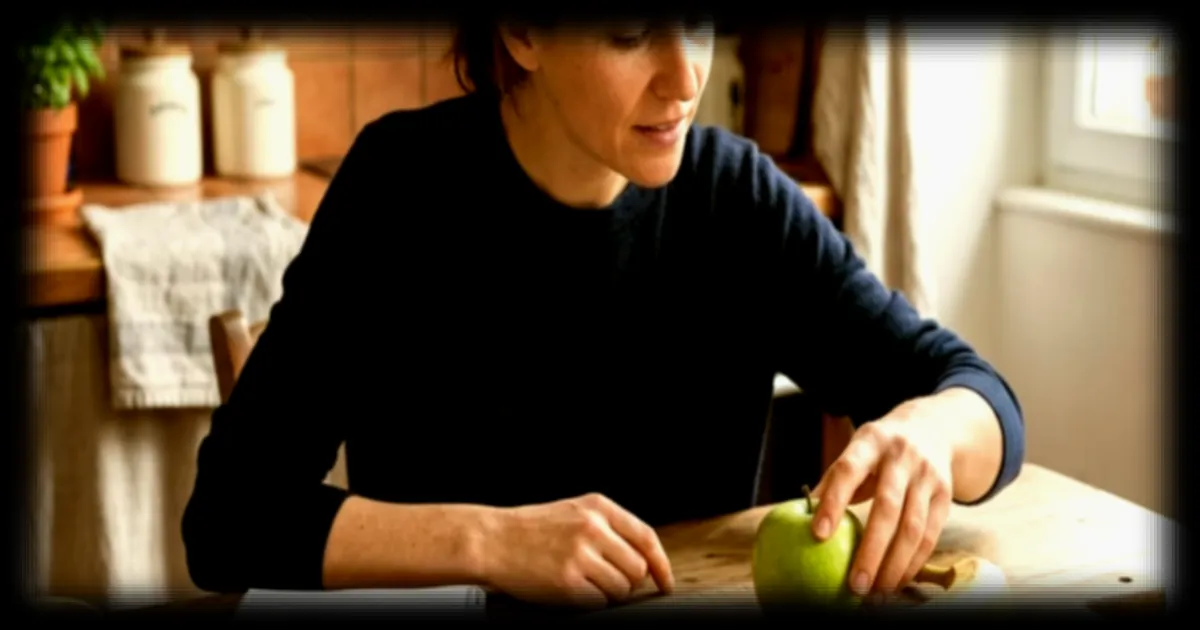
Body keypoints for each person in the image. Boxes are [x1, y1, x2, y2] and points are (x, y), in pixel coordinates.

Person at [181, 16, 1025, 610]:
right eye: (629, 33)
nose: (686, 75)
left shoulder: (737, 198)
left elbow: (983, 399)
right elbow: (228, 523)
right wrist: (494, 543)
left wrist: (934, 433)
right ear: (522, 35)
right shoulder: (400, 188)